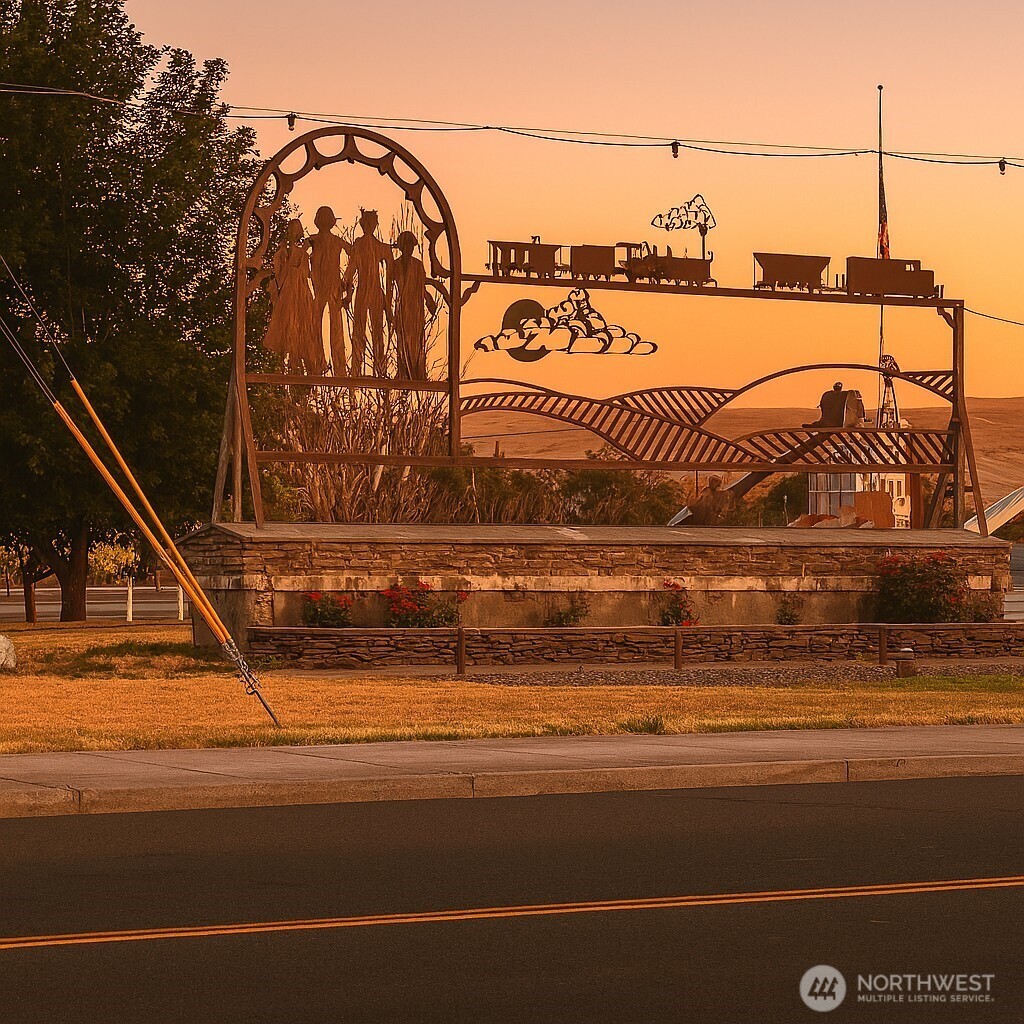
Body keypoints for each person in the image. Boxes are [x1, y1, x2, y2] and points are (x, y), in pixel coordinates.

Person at [261, 219, 325, 375]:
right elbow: (285, 274)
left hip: (298, 294)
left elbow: (302, 273)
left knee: (299, 326)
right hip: (291, 294)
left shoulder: (294, 253)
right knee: (290, 325)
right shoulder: (287, 253)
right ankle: (288, 365)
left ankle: (296, 364)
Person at [343, 209, 393, 376]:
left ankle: (380, 369)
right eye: (367, 224)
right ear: (363, 225)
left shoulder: (380, 247)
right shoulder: (359, 245)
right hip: (363, 290)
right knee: (359, 330)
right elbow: (351, 270)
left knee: (377, 331)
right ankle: (357, 369)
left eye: (372, 224)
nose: (369, 227)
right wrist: (347, 292)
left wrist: (388, 302)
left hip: (375, 291)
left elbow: (390, 276)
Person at [308, 206, 350, 375]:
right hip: (319, 287)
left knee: (335, 325)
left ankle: (338, 367)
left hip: (333, 286)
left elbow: (354, 253)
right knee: (315, 324)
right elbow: (299, 256)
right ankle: (318, 364)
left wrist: (346, 280)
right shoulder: (312, 240)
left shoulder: (337, 241)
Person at [388, 231, 434, 380]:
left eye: (411, 246)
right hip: (402, 307)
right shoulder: (395, 265)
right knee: (402, 340)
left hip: (416, 307)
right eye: (406, 246)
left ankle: (418, 372)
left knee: (416, 340)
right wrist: (388, 310)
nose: (409, 249)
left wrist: (429, 301)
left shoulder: (418, 265)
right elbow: (390, 288)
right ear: (402, 247)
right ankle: (403, 371)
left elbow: (422, 286)